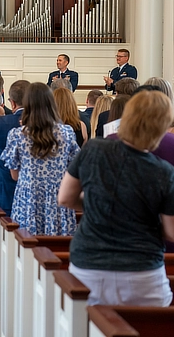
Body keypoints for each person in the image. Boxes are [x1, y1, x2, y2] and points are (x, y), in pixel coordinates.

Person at [58, 90, 174, 306]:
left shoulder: (93, 149)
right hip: (142, 269)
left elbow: (65, 198)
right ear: (161, 128)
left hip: (89, 265)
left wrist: (97, 202)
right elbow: (171, 231)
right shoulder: (164, 172)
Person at [1, 82, 79, 236]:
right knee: (57, 250)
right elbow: (75, 169)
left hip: (28, 201)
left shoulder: (17, 135)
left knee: (26, 253)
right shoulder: (67, 133)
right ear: (51, 103)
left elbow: (14, 175)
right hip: (59, 199)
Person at [0, 80, 30, 216]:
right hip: (33, 193)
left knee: (1, 235)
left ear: (12, 103)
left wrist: (0, 117)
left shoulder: (1, 121)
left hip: (3, 190)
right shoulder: (44, 123)